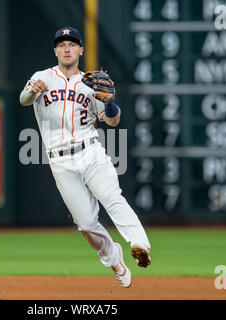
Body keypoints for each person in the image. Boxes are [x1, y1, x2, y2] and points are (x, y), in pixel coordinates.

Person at [19, 27, 151, 288]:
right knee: (87, 224)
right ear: (55, 51)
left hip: (91, 151)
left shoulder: (92, 82)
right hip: (59, 161)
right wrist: (34, 90)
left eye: (72, 44)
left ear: (81, 50)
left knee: (113, 198)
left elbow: (113, 121)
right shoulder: (41, 77)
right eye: (61, 44)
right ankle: (113, 258)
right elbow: (24, 100)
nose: (66, 48)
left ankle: (140, 244)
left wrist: (110, 102)